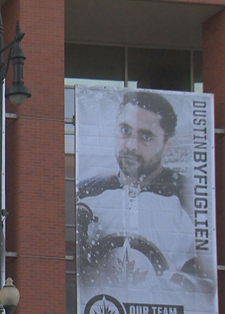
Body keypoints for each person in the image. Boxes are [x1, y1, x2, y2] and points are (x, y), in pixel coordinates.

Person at [77, 90, 208, 290]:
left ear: (168, 145)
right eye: (125, 131)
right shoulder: (86, 193)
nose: (131, 145)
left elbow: (207, 280)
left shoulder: (189, 198)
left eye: (146, 136)